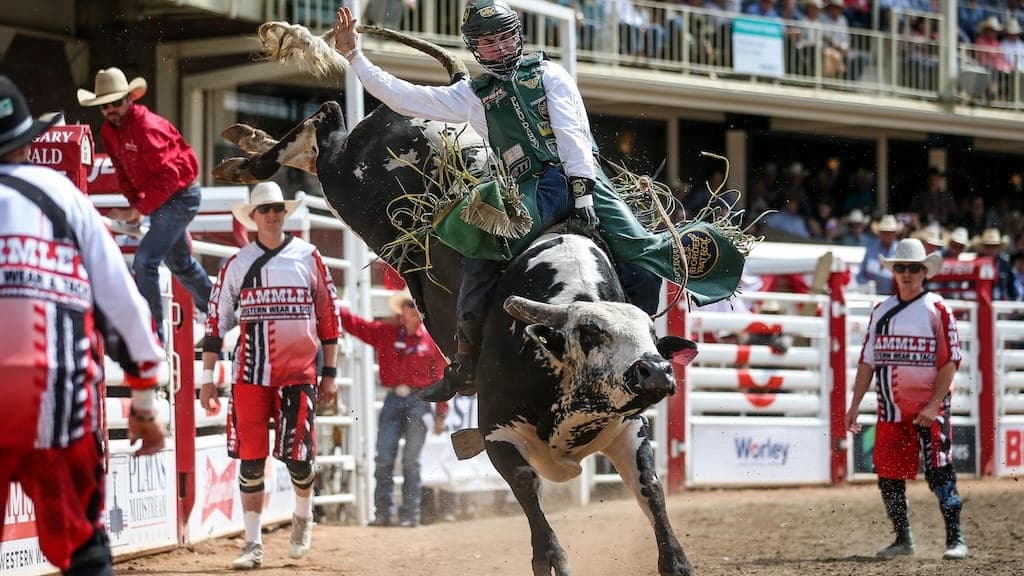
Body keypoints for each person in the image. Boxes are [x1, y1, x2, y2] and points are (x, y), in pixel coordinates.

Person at [333, 0, 744, 402]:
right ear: (475, 47)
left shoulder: (549, 74)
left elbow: (572, 134)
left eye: (503, 38)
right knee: (480, 245)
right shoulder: (473, 94)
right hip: (526, 188)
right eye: (487, 42)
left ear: (518, 37)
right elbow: (407, 98)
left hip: (578, 176)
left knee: (641, 248)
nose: (498, 47)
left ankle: (644, 343)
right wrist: (355, 56)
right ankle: (466, 361)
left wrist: (582, 190)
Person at [0, 75, 166, 576]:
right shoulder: (64, 195)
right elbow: (122, 302)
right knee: (79, 542)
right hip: (54, 387)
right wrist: (143, 399)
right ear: (29, 141)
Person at [198, 181, 340, 569]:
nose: (272, 214)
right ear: (254, 217)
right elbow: (216, 321)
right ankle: (252, 541)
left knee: (298, 458)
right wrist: (207, 376)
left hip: (299, 371)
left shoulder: (308, 257)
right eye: (265, 209)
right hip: (250, 372)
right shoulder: (238, 264)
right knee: (250, 458)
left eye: (277, 208)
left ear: (283, 212)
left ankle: (302, 515)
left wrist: (329, 372)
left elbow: (329, 317)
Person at [845, 238, 968, 561]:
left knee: (940, 472)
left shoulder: (937, 309)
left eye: (913, 268)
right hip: (891, 409)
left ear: (924, 271)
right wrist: (854, 404)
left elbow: (950, 361)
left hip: (930, 407)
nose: (907, 273)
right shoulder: (881, 311)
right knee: (888, 474)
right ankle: (903, 537)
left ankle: (955, 537)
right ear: (893, 271)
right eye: (901, 267)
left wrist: (933, 404)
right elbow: (867, 361)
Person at [78, 67, 212, 340]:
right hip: (165, 199)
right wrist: (136, 205)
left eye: (116, 102)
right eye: (105, 105)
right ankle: (217, 313)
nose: (111, 109)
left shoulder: (146, 126)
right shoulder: (109, 131)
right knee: (180, 263)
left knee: (145, 261)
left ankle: (153, 334)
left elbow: (170, 176)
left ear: (129, 99)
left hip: (180, 196)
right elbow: (124, 175)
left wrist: (138, 209)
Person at [339, 288, 448, 527]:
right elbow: (357, 325)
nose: (411, 309)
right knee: (384, 457)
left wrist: (441, 414)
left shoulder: (431, 343)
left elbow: (441, 380)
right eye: (408, 305)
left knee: (411, 460)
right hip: (395, 399)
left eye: (415, 305)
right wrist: (335, 308)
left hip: (419, 401)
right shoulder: (387, 334)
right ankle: (384, 513)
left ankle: (409, 515)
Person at [857, 214, 901, 294]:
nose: (887, 235)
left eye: (890, 232)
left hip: (894, 297)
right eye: (884, 232)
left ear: (895, 234)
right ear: (880, 233)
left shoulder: (901, 250)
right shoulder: (871, 249)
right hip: (872, 296)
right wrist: (870, 283)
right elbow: (860, 276)